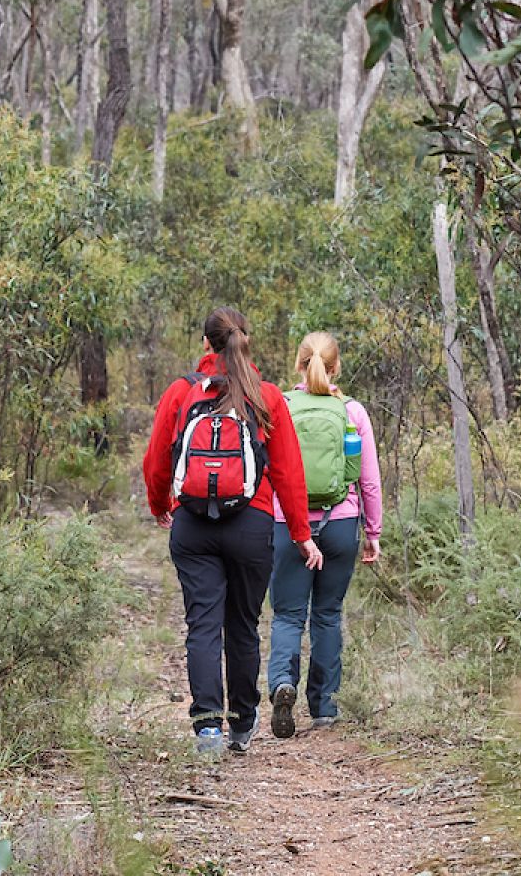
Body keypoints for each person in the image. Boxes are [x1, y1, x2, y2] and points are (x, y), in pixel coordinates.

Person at [143, 308, 323, 757]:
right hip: (252, 524)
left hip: (192, 524)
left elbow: (156, 462)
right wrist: (301, 533)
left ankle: (208, 727)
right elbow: (288, 472)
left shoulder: (181, 393)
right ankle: (242, 723)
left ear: (206, 344)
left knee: (202, 623)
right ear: (245, 340)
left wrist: (160, 504)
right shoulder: (265, 397)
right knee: (242, 624)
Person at [266, 331, 383, 738]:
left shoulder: (279, 406)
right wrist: (373, 531)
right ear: (337, 367)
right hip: (340, 523)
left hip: (288, 524)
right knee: (327, 614)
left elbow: (266, 471)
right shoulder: (352, 411)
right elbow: (368, 481)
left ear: (299, 364)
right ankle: (325, 706)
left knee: (287, 614)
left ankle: (283, 682)